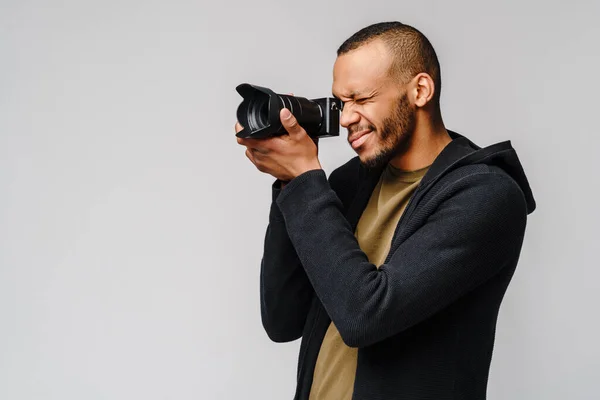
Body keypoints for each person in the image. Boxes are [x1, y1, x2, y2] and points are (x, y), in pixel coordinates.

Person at [235, 21, 536, 400]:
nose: (345, 118)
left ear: (420, 91)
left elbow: (365, 315)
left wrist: (304, 179)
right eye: (341, 103)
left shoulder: (485, 195)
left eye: (361, 99)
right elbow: (282, 319)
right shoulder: (351, 183)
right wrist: (288, 184)